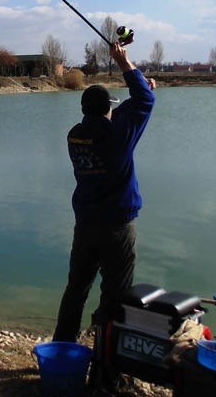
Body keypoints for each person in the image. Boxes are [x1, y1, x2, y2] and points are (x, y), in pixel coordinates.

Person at [52, 40, 156, 349]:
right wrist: (126, 64)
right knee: (115, 294)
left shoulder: (76, 134)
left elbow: (121, 114)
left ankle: (63, 345)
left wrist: (143, 92)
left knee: (76, 290)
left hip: (85, 224)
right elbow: (139, 107)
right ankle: (105, 356)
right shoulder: (117, 135)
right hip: (116, 228)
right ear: (108, 110)